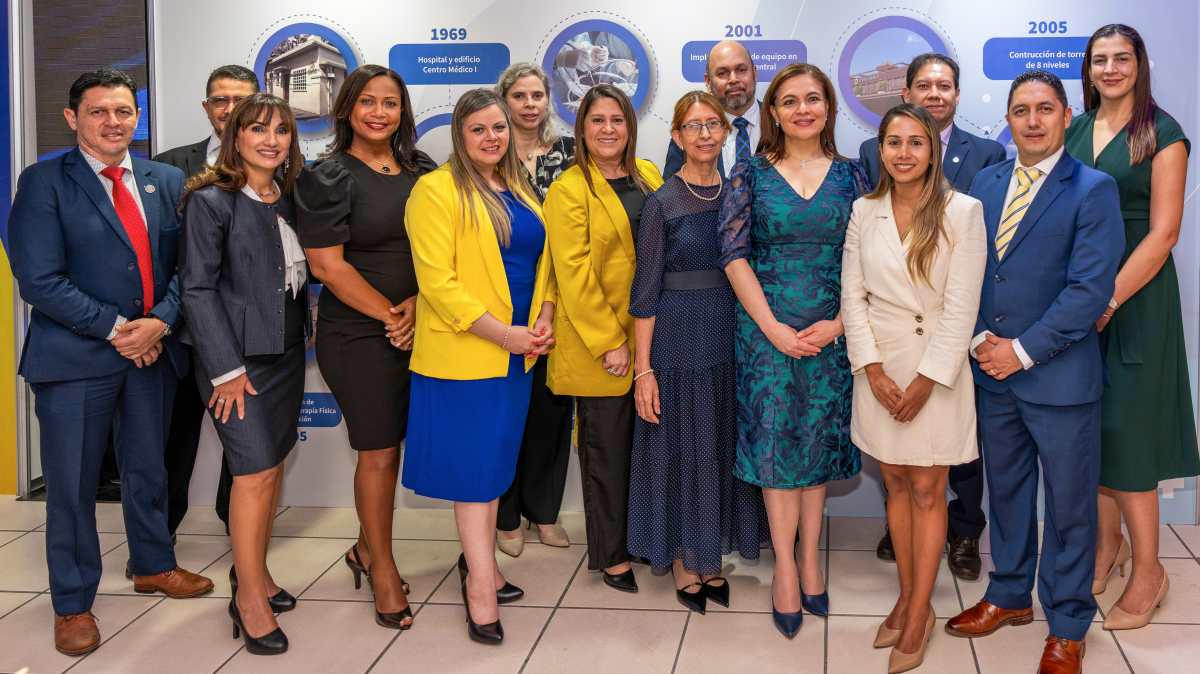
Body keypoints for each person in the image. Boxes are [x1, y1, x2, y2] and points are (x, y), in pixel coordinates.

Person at [8, 69, 213, 657]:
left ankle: (152, 564)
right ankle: (72, 602)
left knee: (149, 469)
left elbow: (187, 267)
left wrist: (160, 322)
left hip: (152, 352)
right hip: (75, 359)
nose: (113, 122)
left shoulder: (164, 178)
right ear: (72, 118)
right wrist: (121, 329)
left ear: (137, 118)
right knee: (73, 485)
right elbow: (38, 279)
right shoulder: (44, 182)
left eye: (124, 111)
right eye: (99, 111)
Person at [946, 71, 1125, 674]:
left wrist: (1020, 351)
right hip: (992, 375)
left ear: (1066, 116)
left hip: (1058, 378)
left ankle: (1068, 624)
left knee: (1071, 507)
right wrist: (980, 341)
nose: (1032, 120)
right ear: (1008, 118)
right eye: (1021, 110)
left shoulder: (1093, 189)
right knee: (1007, 495)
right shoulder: (986, 181)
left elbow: (1089, 289)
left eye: (1045, 109)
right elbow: (968, 270)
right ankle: (1009, 595)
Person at [717, 63, 866, 638]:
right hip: (765, 336)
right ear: (773, 113)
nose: (803, 109)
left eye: (812, 99)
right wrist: (773, 328)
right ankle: (784, 565)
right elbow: (734, 257)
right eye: (790, 101)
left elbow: (870, 258)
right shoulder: (749, 174)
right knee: (777, 449)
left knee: (815, 447)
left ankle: (810, 560)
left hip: (831, 334)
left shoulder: (853, 176)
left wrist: (840, 325)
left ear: (828, 108)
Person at [402, 88, 554, 644]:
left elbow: (545, 264)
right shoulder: (435, 190)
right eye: (479, 129)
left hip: (518, 355)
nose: (492, 138)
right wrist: (504, 334)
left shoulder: (520, 186)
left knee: (493, 472)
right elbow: (437, 283)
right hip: (467, 357)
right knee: (475, 476)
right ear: (460, 136)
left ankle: (481, 566)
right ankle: (481, 587)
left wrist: (544, 316)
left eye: (499, 127)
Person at [841, 104, 986, 672]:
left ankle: (921, 609)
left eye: (915, 142)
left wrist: (928, 378)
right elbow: (853, 297)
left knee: (928, 489)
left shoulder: (962, 211)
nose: (904, 153)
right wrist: (872, 367)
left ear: (933, 150)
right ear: (880, 150)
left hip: (937, 372)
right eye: (893, 142)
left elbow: (962, 306)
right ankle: (906, 595)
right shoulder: (864, 209)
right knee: (896, 485)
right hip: (879, 370)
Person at [1066, 23, 1199, 631]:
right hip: (1080, 296)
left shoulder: (1162, 132)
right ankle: (1107, 546)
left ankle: (1150, 569)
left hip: (1136, 298)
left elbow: (1165, 232)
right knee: (1092, 426)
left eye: (1122, 58)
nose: (1111, 69)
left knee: (1129, 433)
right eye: (1100, 59)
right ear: (1088, 68)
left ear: (1140, 64)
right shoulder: (1074, 128)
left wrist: (1109, 299)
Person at [295, 64, 436, 629]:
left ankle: (363, 547)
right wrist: (390, 315)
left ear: (403, 111)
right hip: (357, 334)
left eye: (390, 103)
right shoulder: (327, 176)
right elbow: (326, 266)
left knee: (395, 447)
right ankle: (383, 568)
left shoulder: (425, 171)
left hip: (422, 326)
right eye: (368, 102)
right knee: (377, 452)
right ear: (347, 108)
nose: (379, 112)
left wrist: (418, 306)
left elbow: (447, 250)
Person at [857, 54, 1006, 575]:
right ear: (907, 93)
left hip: (951, 334)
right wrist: (871, 363)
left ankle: (964, 530)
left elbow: (977, 261)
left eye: (945, 86)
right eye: (925, 85)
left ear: (957, 95)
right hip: (888, 344)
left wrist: (940, 362)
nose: (935, 94)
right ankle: (903, 535)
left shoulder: (986, 155)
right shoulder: (869, 166)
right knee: (900, 473)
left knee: (951, 459)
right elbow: (869, 259)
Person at [627, 91, 767, 614]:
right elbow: (644, 292)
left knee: (719, 446)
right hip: (677, 340)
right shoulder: (663, 202)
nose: (705, 134)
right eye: (693, 126)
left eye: (713, 124)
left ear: (725, 132)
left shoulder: (739, 194)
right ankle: (686, 560)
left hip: (730, 335)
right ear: (677, 136)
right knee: (685, 451)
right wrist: (643, 371)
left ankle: (711, 555)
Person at [179, 93, 307, 655]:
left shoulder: (290, 197)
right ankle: (249, 598)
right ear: (235, 136)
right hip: (237, 365)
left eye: (281, 130)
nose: (270, 140)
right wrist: (225, 370)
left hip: (285, 355)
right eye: (257, 129)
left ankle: (256, 573)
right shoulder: (211, 200)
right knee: (252, 473)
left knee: (271, 468)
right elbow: (197, 290)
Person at [544, 84, 664, 594]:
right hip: (602, 345)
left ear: (630, 127)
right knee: (607, 453)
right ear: (582, 129)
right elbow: (572, 274)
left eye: (617, 119)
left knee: (644, 451)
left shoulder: (650, 174)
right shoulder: (569, 190)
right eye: (598, 121)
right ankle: (612, 556)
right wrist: (610, 342)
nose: (608, 129)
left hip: (651, 338)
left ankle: (641, 539)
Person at [153, 63, 260, 536]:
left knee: (246, 443)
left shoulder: (279, 164)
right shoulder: (168, 167)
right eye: (221, 100)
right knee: (173, 442)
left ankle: (240, 533)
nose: (230, 109)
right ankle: (159, 542)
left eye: (242, 100)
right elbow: (158, 253)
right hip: (179, 334)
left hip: (247, 333)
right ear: (206, 107)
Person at [492, 63, 575, 555]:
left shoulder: (569, 152)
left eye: (537, 95)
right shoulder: (487, 153)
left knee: (551, 409)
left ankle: (544, 512)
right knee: (506, 412)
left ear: (548, 101)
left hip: (560, 298)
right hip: (503, 299)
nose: (529, 104)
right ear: (503, 100)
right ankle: (505, 516)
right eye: (519, 96)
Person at [664, 39, 760, 179]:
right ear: (708, 81)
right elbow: (673, 188)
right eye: (722, 73)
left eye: (741, 70)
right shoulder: (688, 134)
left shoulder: (781, 124)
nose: (733, 79)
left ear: (755, 73)